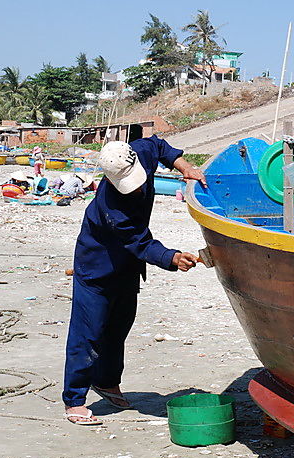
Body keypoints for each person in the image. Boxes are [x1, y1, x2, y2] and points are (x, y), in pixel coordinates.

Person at [62, 135, 207, 425]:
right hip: (98, 266)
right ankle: (74, 399)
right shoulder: (112, 206)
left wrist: (184, 166)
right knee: (88, 332)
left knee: (118, 326)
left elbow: (161, 146)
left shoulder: (142, 151)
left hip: (127, 266)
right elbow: (139, 242)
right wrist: (172, 258)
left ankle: (106, 381)